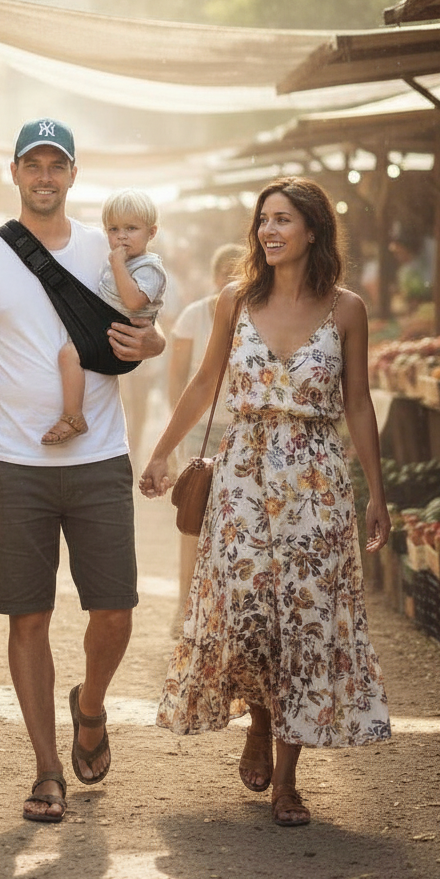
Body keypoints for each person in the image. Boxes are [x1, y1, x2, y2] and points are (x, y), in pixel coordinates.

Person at [0, 117, 165, 825]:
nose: (43, 176)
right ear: (14, 173)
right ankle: (46, 770)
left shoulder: (109, 247)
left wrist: (151, 342)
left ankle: (89, 706)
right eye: (31, 164)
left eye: (54, 164)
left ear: (72, 174)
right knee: (27, 616)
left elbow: (149, 327)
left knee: (115, 611)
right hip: (15, 463)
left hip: (99, 459)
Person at [139, 176, 391, 828]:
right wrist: (164, 451)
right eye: (263, 221)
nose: (269, 231)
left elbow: (358, 402)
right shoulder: (234, 301)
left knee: (305, 629)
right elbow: (204, 382)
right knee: (249, 617)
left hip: (317, 484)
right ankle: (259, 720)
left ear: (313, 230)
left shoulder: (347, 311)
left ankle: (287, 781)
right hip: (244, 480)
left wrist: (376, 494)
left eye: (283, 220)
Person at [42, 188, 167, 445]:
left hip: (119, 336)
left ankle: (73, 416)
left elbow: (133, 302)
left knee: (69, 354)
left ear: (151, 232)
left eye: (131, 229)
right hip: (106, 327)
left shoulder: (149, 267)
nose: (121, 237)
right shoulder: (113, 258)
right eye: (113, 229)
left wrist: (118, 265)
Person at [167, 242, 244, 637]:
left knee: (235, 523)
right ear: (215, 278)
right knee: (194, 517)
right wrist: (176, 427)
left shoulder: (257, 314)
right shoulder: (193, 316)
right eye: (228, 276)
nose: (234, 283)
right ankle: (185, 607)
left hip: (242, 430)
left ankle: (223, 612)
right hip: (201, 429)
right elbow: (179, 375)